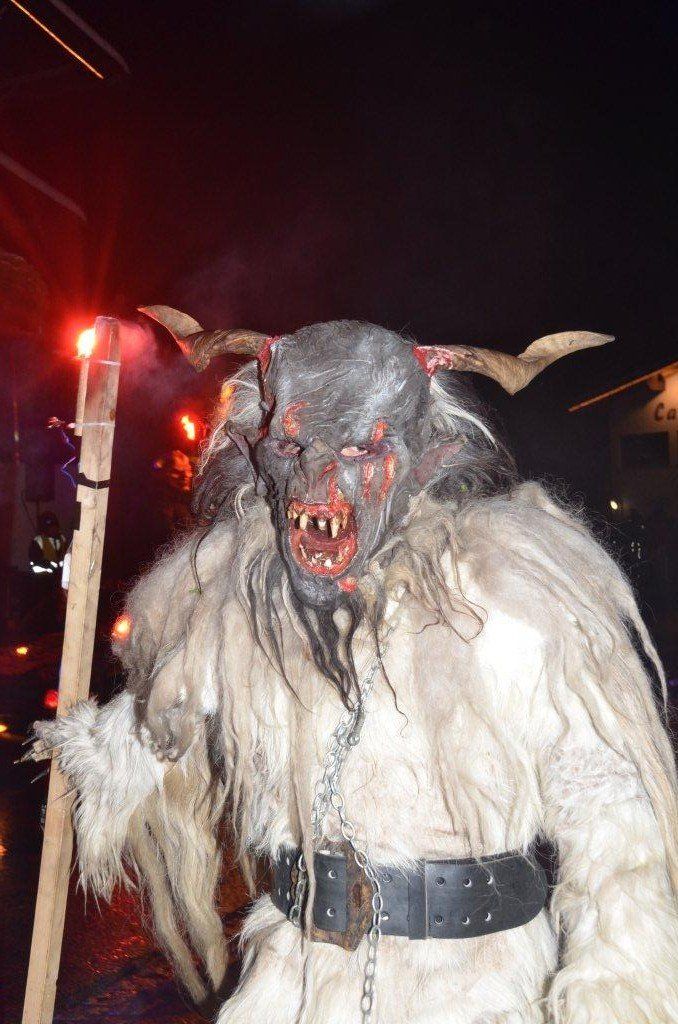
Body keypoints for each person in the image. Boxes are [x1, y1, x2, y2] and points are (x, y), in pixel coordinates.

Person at [30, 313, 678, 1024]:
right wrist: (99, 748)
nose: (318, 481)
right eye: (293, 446)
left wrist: (618, 979)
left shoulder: (508, 594)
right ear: (258, 452)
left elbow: (608, 804)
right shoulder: (240, 601)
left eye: (359, 449)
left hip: (475, 989)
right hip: (299, 985)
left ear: (427, 456)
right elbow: (162, 729)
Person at [28, 511, 66, 576]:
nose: (53, 529)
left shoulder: (62, 539)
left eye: (54, 526)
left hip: (58, 577)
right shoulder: (38, 541)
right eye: (49, 527)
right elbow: (35, 560)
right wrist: (49, 565)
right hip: (42, 578)